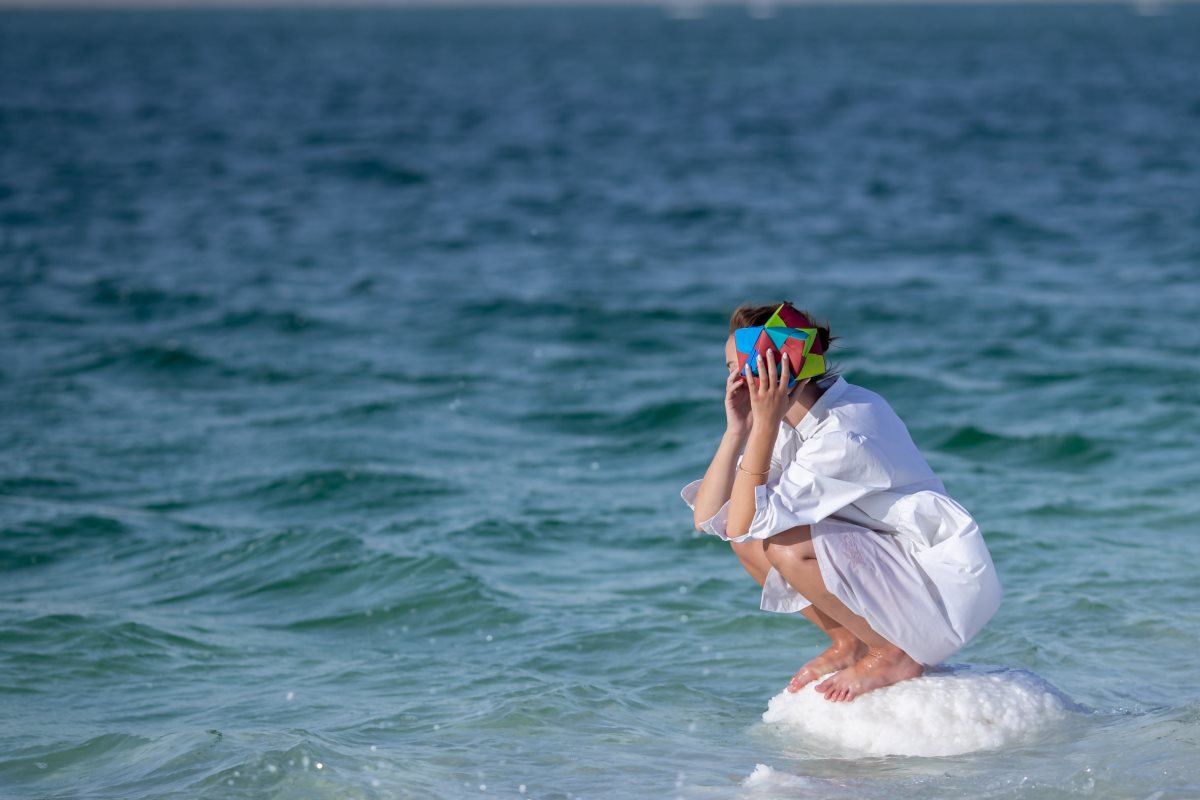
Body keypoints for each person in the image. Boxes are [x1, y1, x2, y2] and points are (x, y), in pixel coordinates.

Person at [680, 302, 1002, 703]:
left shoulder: (844, 431)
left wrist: (761, 425)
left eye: (737, 367)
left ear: (773, 371)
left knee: (784, 546)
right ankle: (849, 641)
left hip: (934, 593)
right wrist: (737, 430)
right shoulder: (794, 417)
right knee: (748, 540)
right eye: (729, 370)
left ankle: (893, 653)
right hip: (891, 571)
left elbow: (744, 520)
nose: (733, 380)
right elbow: (710, 518)